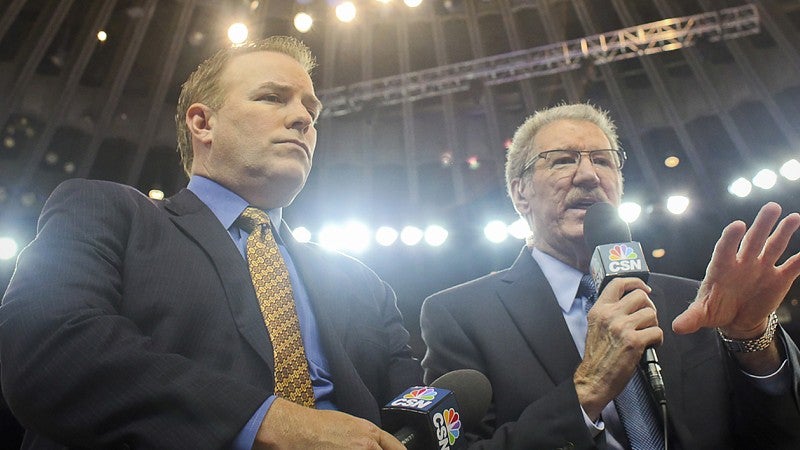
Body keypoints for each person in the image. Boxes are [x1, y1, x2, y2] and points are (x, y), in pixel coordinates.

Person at [0, 36, 421, 449]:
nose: (304, 119)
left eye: (311, 109)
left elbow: (415, 418)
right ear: (203, 123)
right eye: (273, 97)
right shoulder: (106, 212)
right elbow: (50, 350)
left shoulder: (363, 283)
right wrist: (267, 423)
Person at [420, 103, 800, 449]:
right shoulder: (459, 316)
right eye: (562, 160)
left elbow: (776, 435)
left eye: (603, 161)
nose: (588, 175)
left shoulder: (698, 303)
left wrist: (752, 339)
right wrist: (588, 389)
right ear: (520, 194)